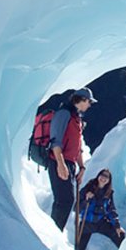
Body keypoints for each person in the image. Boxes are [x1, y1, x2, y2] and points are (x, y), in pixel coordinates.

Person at [46, 87, 94, 230]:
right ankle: (52, 234)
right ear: (82, 100)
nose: (90, 105)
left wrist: (82, 167)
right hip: (58, 161)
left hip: (69, 164)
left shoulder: (76, 118)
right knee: (65, 200)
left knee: (64, 201)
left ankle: (53, 231)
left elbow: (77, 146)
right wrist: (60, 164)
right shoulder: (64, 114)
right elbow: (55, 140)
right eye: (89, 102)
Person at [76, 168, 125, 250]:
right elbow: (76, 208)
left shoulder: (108, 193)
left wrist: (117, 226)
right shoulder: (88, 188)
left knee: (119, 235)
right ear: (98, 176)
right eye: (102, 175)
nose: (104, 178)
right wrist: (86, 200)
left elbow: (111, 210)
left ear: (109, 180)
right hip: (86, 223)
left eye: (107, 177)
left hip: (101, 222)